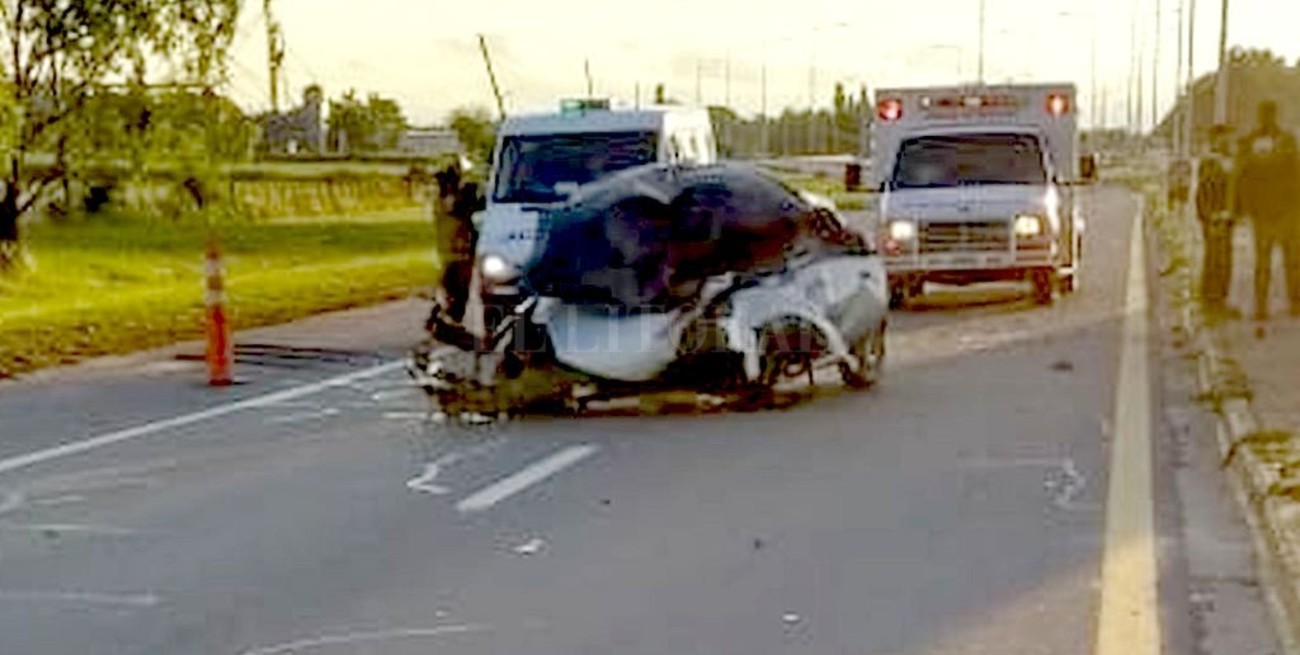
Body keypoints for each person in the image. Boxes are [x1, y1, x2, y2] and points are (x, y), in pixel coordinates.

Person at [1236, 100, 1300, 320]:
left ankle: (1274, 305)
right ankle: (1273, 305)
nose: (1267, 118)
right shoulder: (1284, 140)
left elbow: (1243, 175)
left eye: (1268, 114)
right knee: (1276, 261)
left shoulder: (1253, 142)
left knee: (1285, 261)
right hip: (1276, 211)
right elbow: (1242, 176)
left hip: (1280, 210)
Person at [1196, 125, 1239, 317]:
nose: (1228, 142)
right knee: (1215, 260)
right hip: (1214, 218)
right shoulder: (1210, 162)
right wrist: (1210, 216)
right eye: (1225, 139)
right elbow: (1204, 193)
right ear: (1216, 140)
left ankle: (1219, 301)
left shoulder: (1228, 161)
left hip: (1226, 218)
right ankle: (1212, 302)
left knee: (1224, 260)